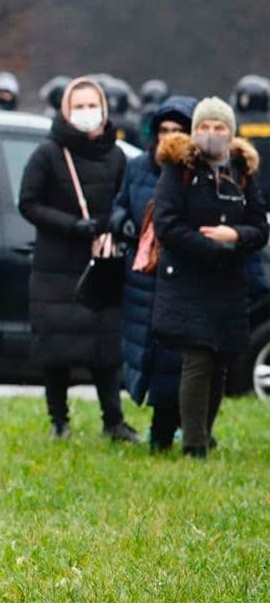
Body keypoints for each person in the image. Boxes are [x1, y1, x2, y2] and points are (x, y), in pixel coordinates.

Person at [18, 76, 140, 442]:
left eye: (93, 106)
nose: (87, 113)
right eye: (79, 106)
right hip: (57, 265)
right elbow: (29, 203)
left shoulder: (117, 155)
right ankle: (59, 420)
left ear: (104, 111)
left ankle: (113, 421)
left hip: (101, 260)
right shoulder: (48, 153)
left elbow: (126, 202)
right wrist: (73, 226)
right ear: (66, 111)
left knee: (105, 348)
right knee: (57, 347)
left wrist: (119, 227)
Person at [152, 97, 268, 458]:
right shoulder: (179, 169)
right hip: (188, 280)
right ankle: (194, 444)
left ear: (230, 132)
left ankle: (205, 431)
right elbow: (166, 225)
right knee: (198, 359)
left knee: (220, 362)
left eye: (219, 128)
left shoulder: (243, 172)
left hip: (229, 282)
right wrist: (209, 247)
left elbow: (259, 227)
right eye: (204, 127)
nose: (211, 134)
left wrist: (234, 238)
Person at [110, 96, 195, 451]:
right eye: (164, 130)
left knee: (178, 359)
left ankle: (176, 427)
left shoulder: (198, 173)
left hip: (182, 276)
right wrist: (125, 224)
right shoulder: (138, 167)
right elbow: (118, 205)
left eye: (178, 130)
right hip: (143, 278)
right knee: (146, 355)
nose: (170, 137)